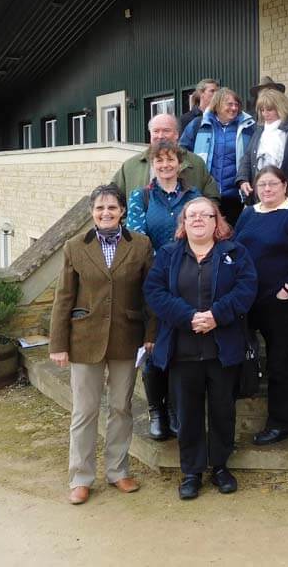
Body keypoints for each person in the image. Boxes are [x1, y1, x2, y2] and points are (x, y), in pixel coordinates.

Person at [143, 197, 257, 500]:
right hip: (183, 349)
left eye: (205, 215)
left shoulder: (235, 253)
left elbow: (246, 289)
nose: (197, 220)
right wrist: (188, 317)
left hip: (222, 349)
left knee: (223, 410)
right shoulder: (168, 255)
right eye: (191, 215)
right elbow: (154, 291)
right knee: (188, 413)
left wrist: (216, 315)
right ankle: (192, 471)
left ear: (216, 221)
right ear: (183, 222)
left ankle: (220, 467)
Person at [49, 183, 155, 505]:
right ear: (91, 212)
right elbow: (63, 297)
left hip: (127, 337)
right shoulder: (74, 246)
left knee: (121, 407)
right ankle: (81, 478)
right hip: (85, 339)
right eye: (99, 208)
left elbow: (150, 294)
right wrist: (58, 343)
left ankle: (118, 471)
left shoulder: (140, 245)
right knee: (85, 410)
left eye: (111, 207)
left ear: (122, 211)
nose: (105, 213)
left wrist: (151, 335)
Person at [126, 141, 201, 441]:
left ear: (180, 164)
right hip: (154, 282)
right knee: (153, 345)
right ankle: (156, 410)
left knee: (181, 347)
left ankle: (174, 409)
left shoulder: (194, 196)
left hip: (188, 280)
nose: (166, 165)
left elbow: (200, 233)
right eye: (160, 161)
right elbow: (137, 238)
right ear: (152, 164)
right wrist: (165, 264)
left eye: (171, 160)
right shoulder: (141, 196)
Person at [234, 166, 288, 447]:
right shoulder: (248, 214)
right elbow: (235, 249)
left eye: (272, 184)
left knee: (278, 362)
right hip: (248, 299)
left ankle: (282, 423)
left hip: (281, 302)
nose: (267, 189)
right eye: (262, 185)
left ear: (284, 185)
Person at [180, 88, 255, 225]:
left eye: (236, 105)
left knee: (233, 233)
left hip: (236, 196)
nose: (234, 108)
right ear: (218, 104)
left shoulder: (248, 127)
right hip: (205, 194)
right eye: (229, 104)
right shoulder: (199, 125)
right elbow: (182, 152)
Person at [112, 113, 218, 201]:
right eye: (156, 131)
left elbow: (212, 197)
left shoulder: (196, 163)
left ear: (177, 134)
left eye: (166, 131)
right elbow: (112, 198)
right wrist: (126, 219)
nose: (160, 136)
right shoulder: (130, 166)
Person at [237, 88, 288, 203]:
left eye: (269, 109)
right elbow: (247, 157)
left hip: (287, 194)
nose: (265, 114)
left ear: (280, 107)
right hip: (259, 194)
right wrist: (243, 179)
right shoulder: (259, 131)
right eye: (262, 110)